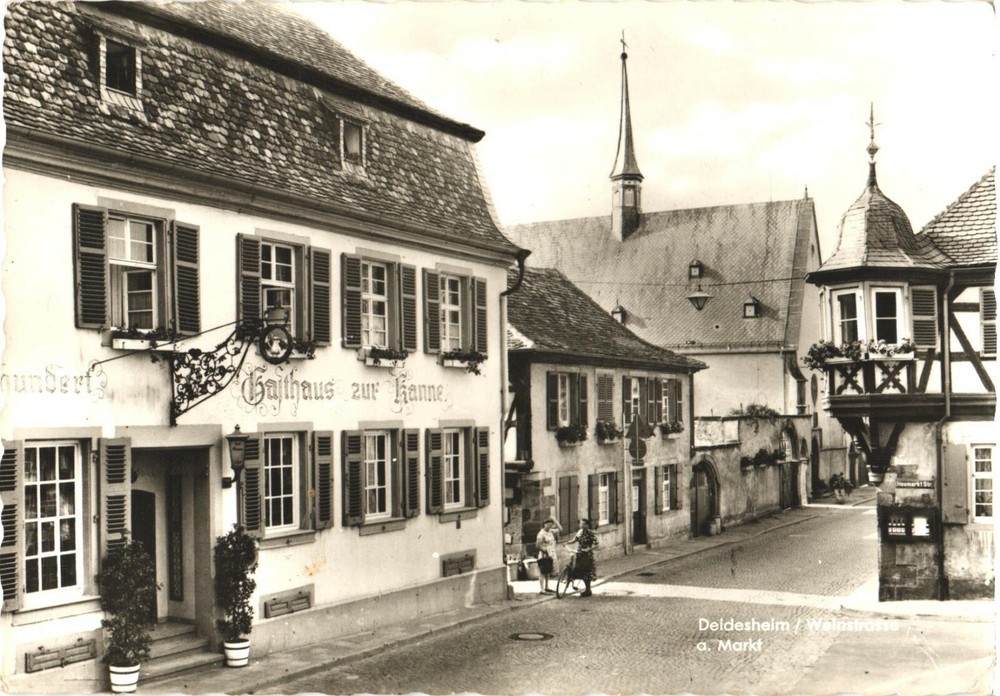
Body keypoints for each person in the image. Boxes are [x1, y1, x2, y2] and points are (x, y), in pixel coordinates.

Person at [568, 517, 598, 597]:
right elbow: (575, 539)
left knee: (587, 572)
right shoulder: (580, 532)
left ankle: (588, 590)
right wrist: (568, 543)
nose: (581, 525)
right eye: (580, 523)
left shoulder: (590, 533)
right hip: (579, 554)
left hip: (587, 555)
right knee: (580, 571)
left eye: (583, 524)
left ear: (587, 525)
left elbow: (596, 544)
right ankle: (587, 589)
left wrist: (588, 549)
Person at [534, 516, 562, 594]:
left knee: (548, 570)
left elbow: (560, 529)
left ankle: (547, 587)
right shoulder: (541, 534)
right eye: (548, 524)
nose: (550, 526)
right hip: (544, 554)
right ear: (544, 524)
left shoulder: (551, 531)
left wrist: (555, 520)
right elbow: (538, 546)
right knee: (543, 571)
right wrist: (545, 551)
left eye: (551, 524)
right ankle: (542, 589)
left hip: (551, 553)